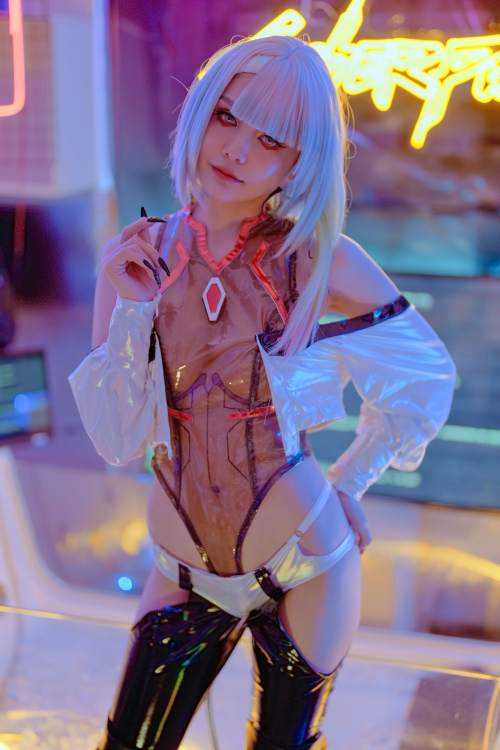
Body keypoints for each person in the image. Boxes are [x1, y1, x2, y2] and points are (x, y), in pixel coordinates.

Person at [69, 34, 456, 750]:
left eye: (271, 139)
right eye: (227, 117)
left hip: (307, 562)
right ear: (200, 112)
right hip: (182, 567)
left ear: (300, 160)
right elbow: (118, 439)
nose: (237, 150)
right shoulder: (140, 252)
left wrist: (351, 481)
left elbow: (424, 379)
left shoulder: (317, 258)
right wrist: (129, 311)